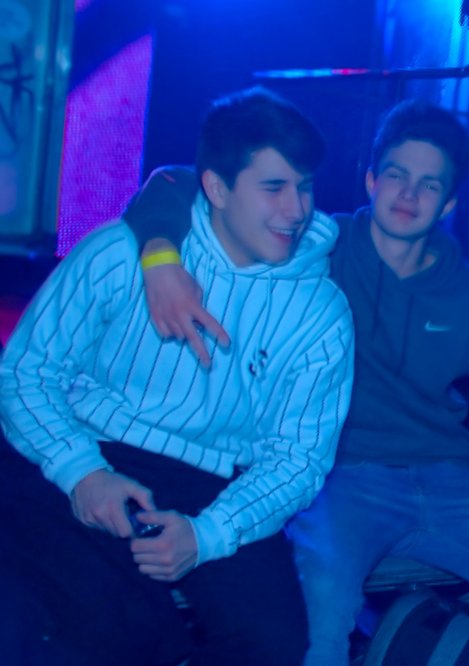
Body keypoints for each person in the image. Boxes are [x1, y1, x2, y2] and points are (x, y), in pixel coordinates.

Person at [121, 99, 469, 666]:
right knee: (322, 607)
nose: (408, 194)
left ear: (448, 204)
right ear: (372, 180)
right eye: (396, 175)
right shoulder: (315, 248)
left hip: (448, 482)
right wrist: (160, 260)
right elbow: (174, 182)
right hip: (339, 474)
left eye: (429, 185)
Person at [0, 87, 355, 665]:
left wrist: (207, 534)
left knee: (272, 643)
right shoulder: (120, 254)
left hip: (218, 481)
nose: (297, 210)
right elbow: (24, 374)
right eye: (274, 187)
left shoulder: (322, 311)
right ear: (216, 187)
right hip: (92, 445)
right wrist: (81, 472)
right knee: (90, 627)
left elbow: (299, 457)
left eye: (306, 186)